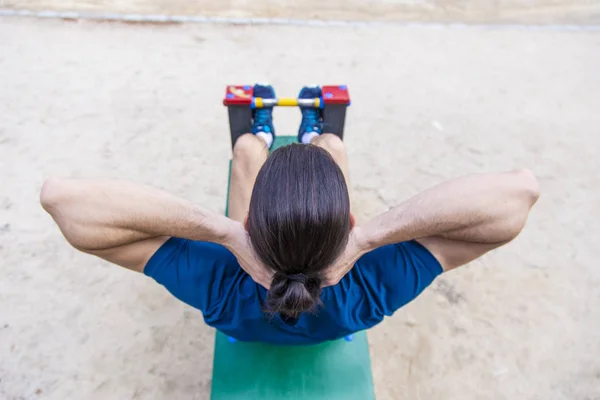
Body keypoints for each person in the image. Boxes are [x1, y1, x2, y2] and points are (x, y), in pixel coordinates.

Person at [40, 84, 540, 345]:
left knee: (245, 156)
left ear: (251, 222)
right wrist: (367, 240)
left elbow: (63, 199)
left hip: (247, 293)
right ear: (344, 224)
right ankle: (318, 138)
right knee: (333, 150)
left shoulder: (218, 282)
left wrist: (224, 232)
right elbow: (519, 192)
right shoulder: (372, 284)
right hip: (335, 278)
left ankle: (254, 136)